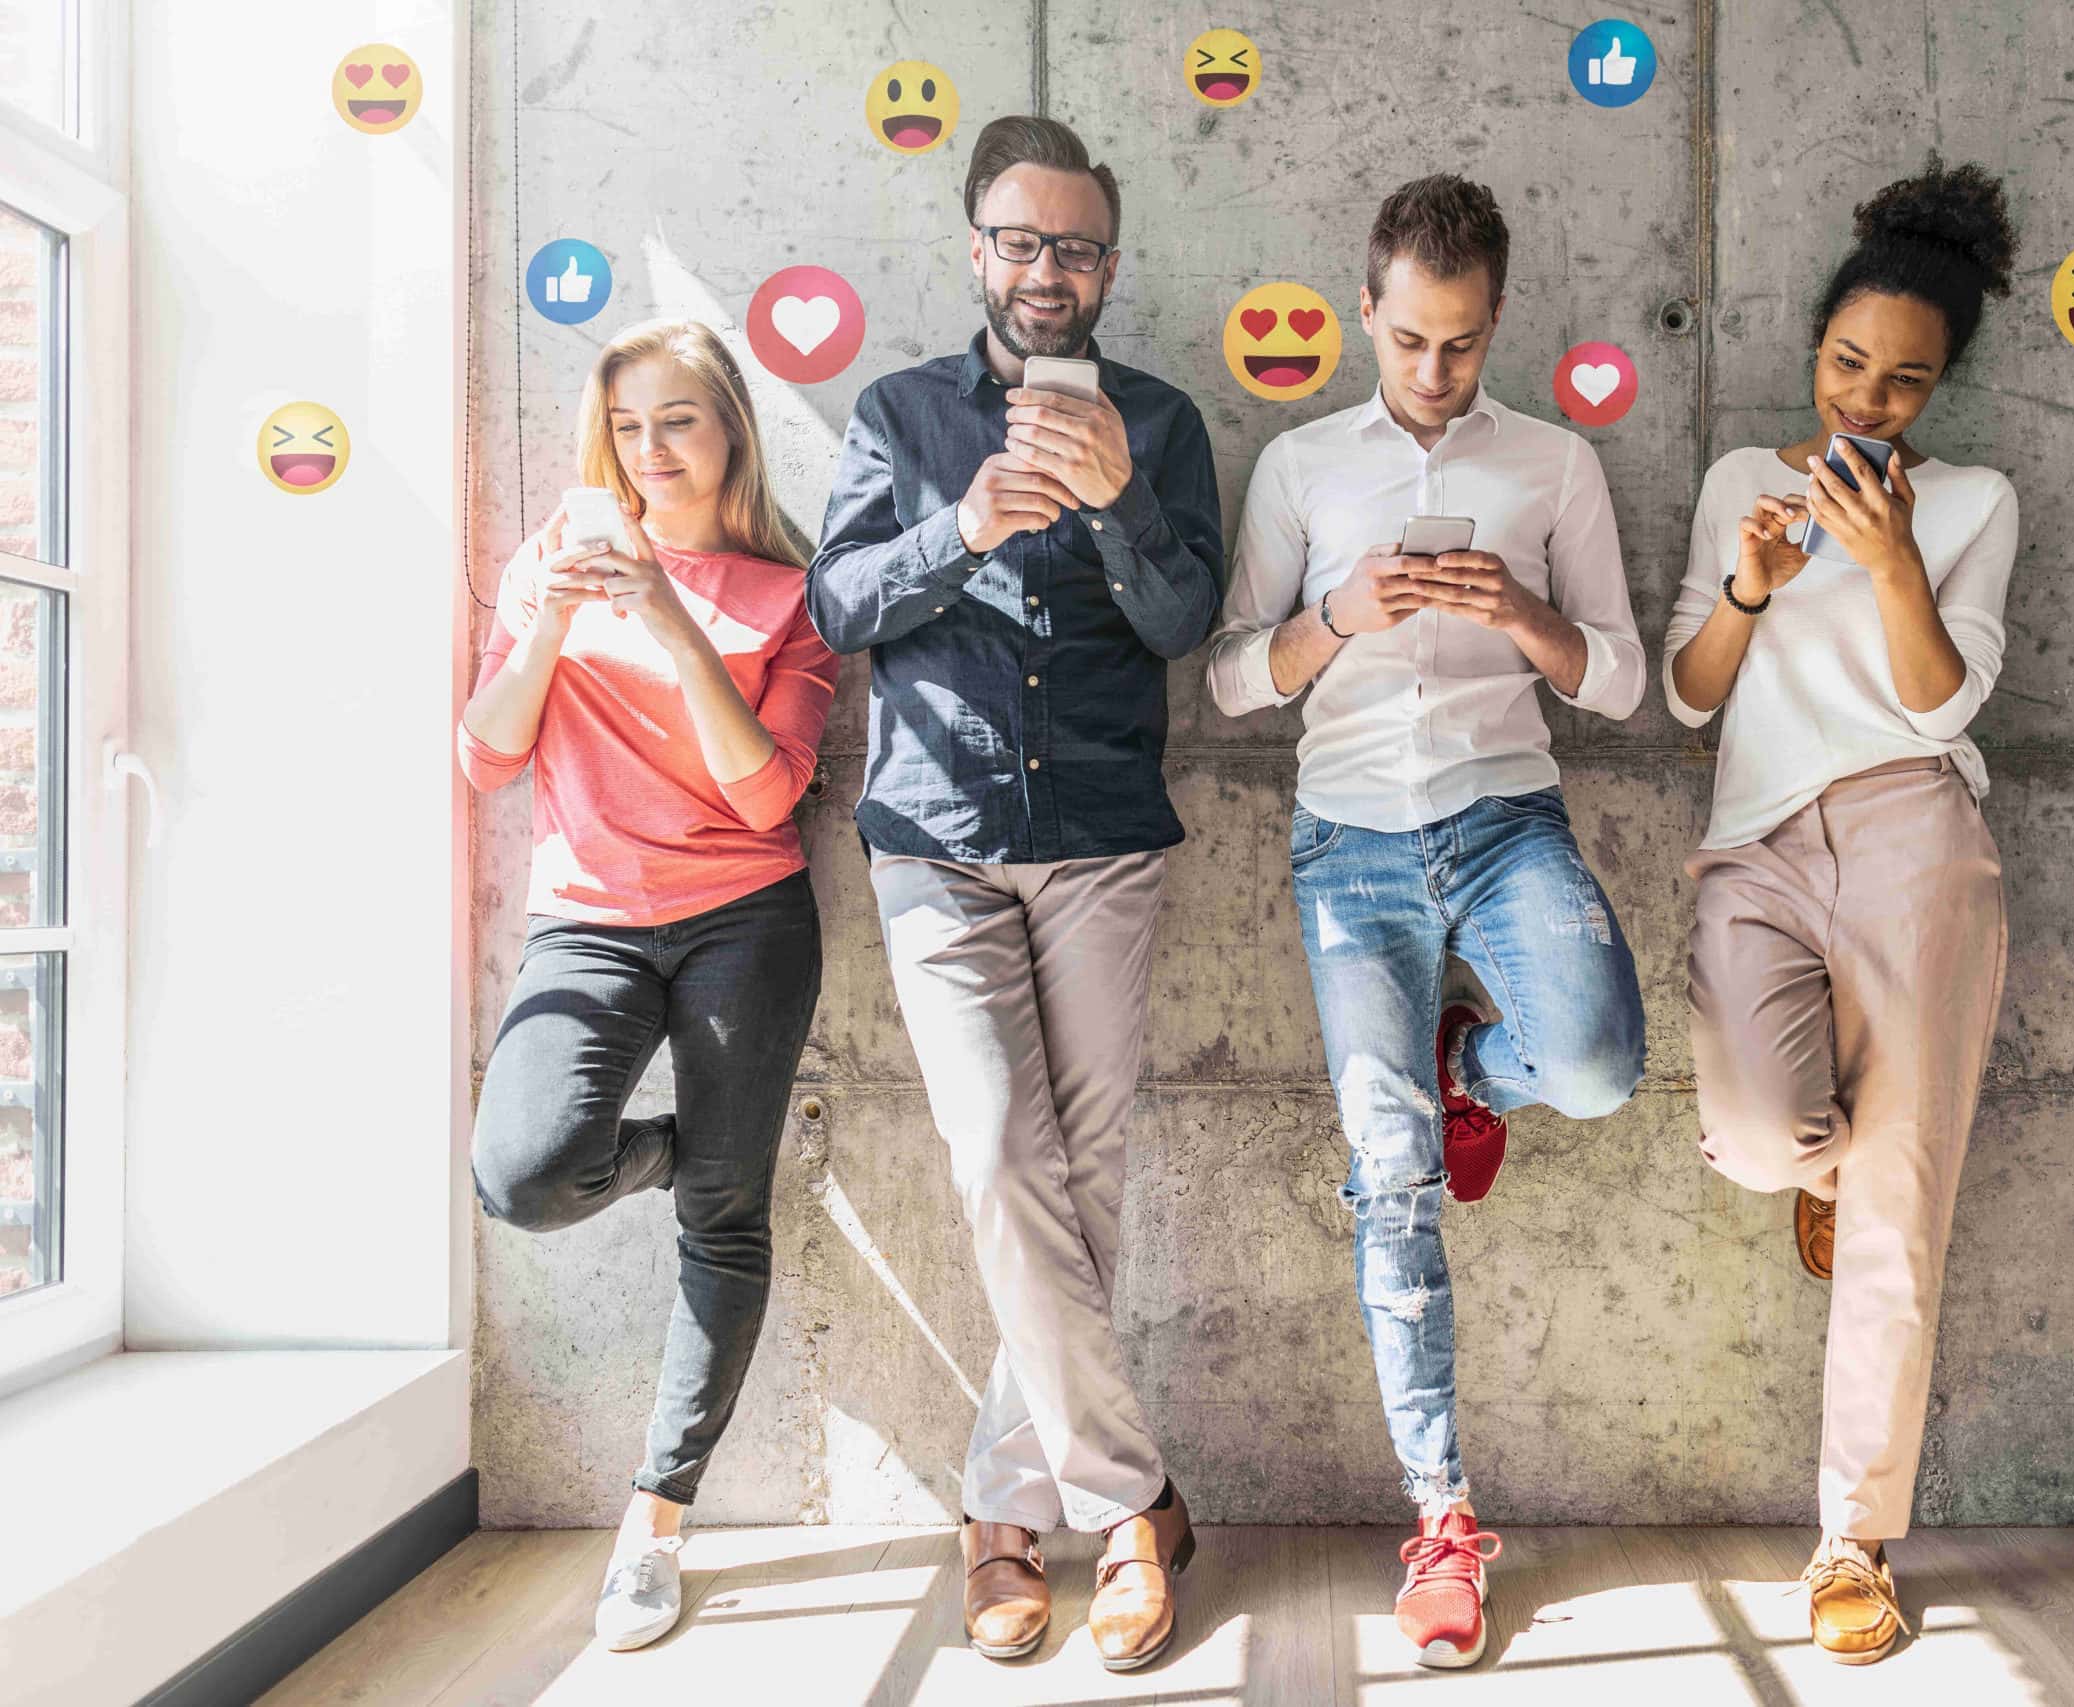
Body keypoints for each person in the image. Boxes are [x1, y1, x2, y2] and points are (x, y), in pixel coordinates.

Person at [1205, 173, 1648, 1671]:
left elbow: (1626, 685)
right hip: (1348, 847)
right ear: (1367, 314)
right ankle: (1443, 1515)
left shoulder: (1554, 465)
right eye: (1408, 342)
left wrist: (1519, 615)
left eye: (1458, 346)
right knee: (1389, 1171)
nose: (1433, 374)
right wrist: (1340, 620)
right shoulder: (1301, 465)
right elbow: (1224, 682)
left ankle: (1481, 1072)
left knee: (1593, 1068)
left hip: (1506, 816)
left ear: (1494, 323)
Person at [803, 114, 1223, 1673]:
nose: (1051, 274)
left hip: (1105, 832)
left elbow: (1186, 622)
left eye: (1080, 247)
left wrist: (1115, 503)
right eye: (1023, 242)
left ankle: (999, 1518)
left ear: (1111, 265)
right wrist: (960, 525)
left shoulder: (1166, 423)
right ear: (978, 249)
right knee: (996, 1159)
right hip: (937, 837)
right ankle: (1130, 1508)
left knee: (1079, 1183)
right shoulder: (900, 413)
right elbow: (838, 602)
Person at [1665, 155, 2020, 1665]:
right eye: (1847, 363)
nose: (1866, 399)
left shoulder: (1976, 502)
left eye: (1903, 381)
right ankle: (1814, 1168)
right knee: (1759, 1135)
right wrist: (1746, 589)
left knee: (1905, 1207)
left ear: (1941, 390)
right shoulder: (1742, 483)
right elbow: (1690, 696)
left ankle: (1851, 1544)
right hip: (1755, 846)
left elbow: (1947, 698)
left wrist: (1886, 561)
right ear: (1814, 350)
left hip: (1912, 837)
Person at [459, 319, 839, 1652]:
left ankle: (655, 1527)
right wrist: (549, 625)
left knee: (726, 1226)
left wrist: (676, 624)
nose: (651, 450)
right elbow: (489, 758)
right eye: (628, 426)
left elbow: (767, 789)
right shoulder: (548, 566)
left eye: (678, 419)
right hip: (591, 925)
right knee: (521, 1172)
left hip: (747, 920)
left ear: (731, 426)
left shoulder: (793, 599)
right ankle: (698, 1151)